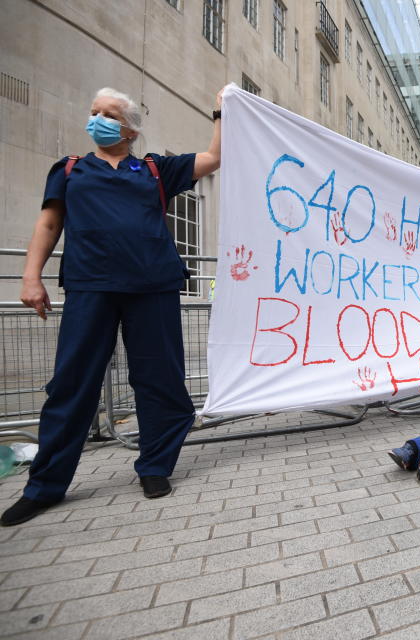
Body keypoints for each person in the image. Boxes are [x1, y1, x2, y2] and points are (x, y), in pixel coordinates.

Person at [1, 87, 224, 527]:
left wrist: (221, 109)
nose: (97, 119)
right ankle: (44, 486)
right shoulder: (69, 170)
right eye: (94, 112)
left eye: (108, 113)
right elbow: (49, 222)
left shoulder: (157, 169)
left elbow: (214, 157)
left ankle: (155, 467)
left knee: (159, 381)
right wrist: (31, 277)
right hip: (90, 287)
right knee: (71, 384)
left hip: (153, 288)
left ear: (130, 129)